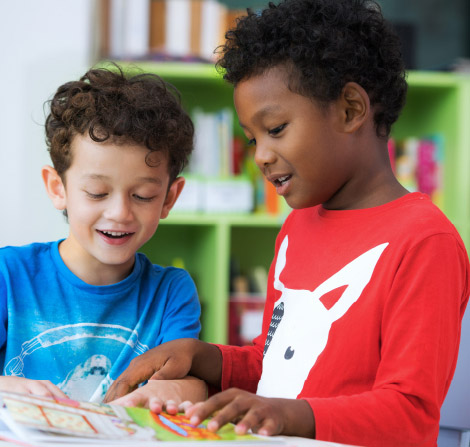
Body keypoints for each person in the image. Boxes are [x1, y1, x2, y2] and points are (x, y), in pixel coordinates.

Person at [103, 1, 470, 446]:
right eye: (252, 138)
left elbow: (410, 414)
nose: (260, 154)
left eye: (275, 128)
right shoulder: (297, 225)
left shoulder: (423, 241)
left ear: (352, 109)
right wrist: (202, 357)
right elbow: (278, 362)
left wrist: (286, 415)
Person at [0, 65, 203, 404]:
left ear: (169, 198)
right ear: (57, 188)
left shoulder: (171, 293)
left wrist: (172, 390)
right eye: (96, 192)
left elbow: (192, 384)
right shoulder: (9, 274)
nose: (120, 213)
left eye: (142, 196)